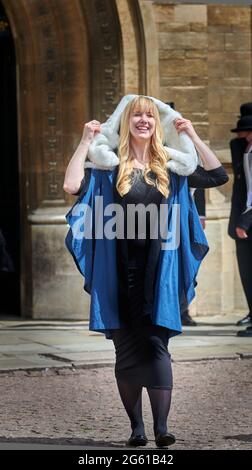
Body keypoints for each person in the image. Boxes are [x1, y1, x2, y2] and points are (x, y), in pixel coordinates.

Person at [64, 95, 228, 448]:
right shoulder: (108, 167)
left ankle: (162, 428)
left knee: (157, 345)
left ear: (158, 123)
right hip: (119, 270)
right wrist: (84, 143)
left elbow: (217, 175)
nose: (143, 120)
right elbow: (70, 186)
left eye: (149, 116)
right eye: (136, 114)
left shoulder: (171, 164)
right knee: (125, 348)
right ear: (125, 123)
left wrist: (193, 136)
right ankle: (137, 429)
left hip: (160, 271)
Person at [229, 103, 252, 337]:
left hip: (248, 220)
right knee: (246, 273)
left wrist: (244, 221)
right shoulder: (243, 149)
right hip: (244, 219)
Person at [181, 189, 206, 326]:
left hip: (189, 215)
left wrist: (201, 215)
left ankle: (183, 310)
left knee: (188, 266)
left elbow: (199, 183)